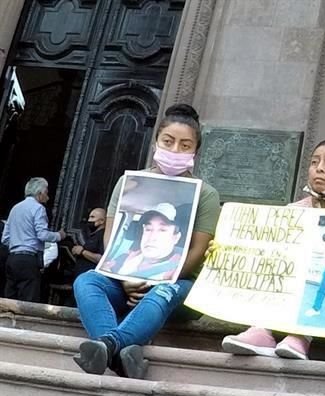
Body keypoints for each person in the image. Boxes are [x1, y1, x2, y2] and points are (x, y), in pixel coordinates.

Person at [72, 104, 221, 379]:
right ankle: (121, 358)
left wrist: (156, 279)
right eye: (168, 141)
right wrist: (126, 277)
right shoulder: (128, 184)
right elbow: (112, 238)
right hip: (125, 283)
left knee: (162, 292)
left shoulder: (207, 195)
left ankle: (108, 345)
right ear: (156, 142)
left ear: (195, 153)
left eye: (185, 145)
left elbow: (198, 251)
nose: (175, 150)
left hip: (175, 288)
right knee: (87, 281)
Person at [221, 139, 325, 359]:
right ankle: (261, 331)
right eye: (314, 162)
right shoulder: (292, 210)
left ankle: (300, 337)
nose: (319, 168)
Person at [2, 177, 66, 301]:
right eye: (46, 193)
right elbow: (42, 235)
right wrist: (59, 235)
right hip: (28, 259)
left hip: (12, 259)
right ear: (40, 193)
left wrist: (18, 243)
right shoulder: (38, 208)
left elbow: (5, 238)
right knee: (28, 300)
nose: (47, 197)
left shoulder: (15, 208)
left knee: (10, 299)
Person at [101, 204, 185, 281]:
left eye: (162, 230)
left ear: (176, 238)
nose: (151, 237)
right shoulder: (126, 257)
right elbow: (106, 268)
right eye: (148, 229)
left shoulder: (179, 268)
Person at [71, 207, 106, 276]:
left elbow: (103, 259)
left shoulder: (103, 236)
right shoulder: (93, 235)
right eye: (89, 217)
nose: (89, 220)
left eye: (92, 217)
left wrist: (82, 252)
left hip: (90, 276)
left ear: (102, 221)